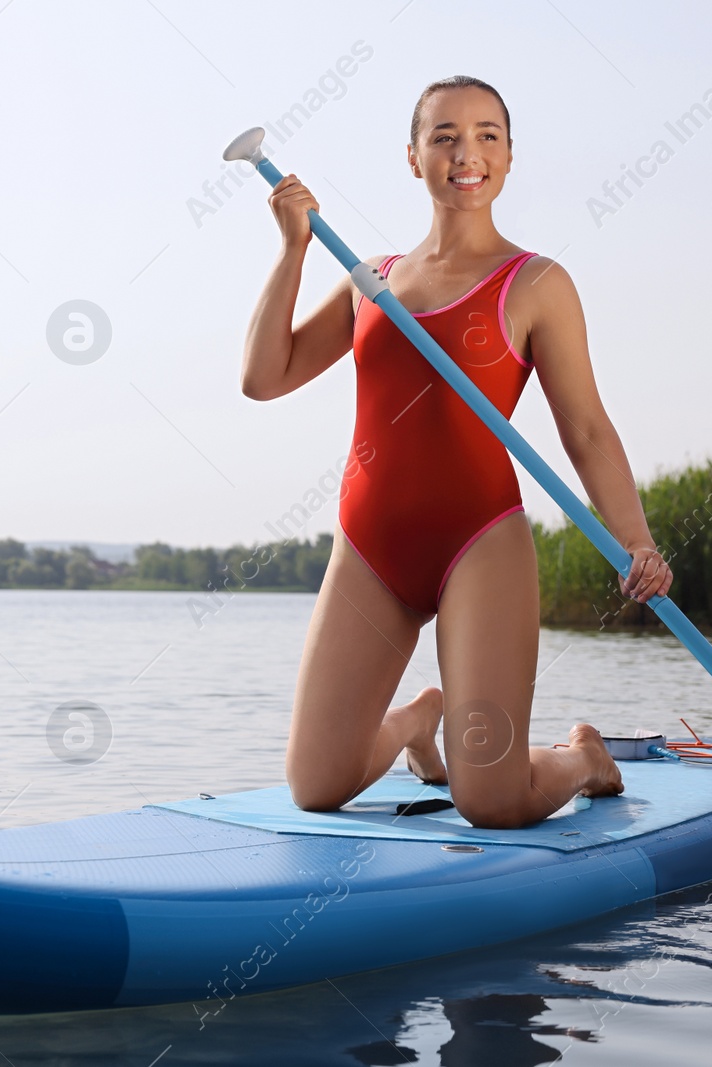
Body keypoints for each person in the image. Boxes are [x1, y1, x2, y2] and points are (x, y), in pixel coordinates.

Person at [239, 75, 672, 829]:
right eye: (443, 137)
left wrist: (635, 539)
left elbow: (587, 428)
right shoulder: (369, 280)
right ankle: (415, 722)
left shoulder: (536, 282)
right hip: (370, 547)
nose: (465, 153)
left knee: (492, 801)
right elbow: (263, 378)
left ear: (508, 158)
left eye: (486, 136)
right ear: (413, 158)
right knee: (315, 784)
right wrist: (293, 250)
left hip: (479, 544)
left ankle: (584, 757)